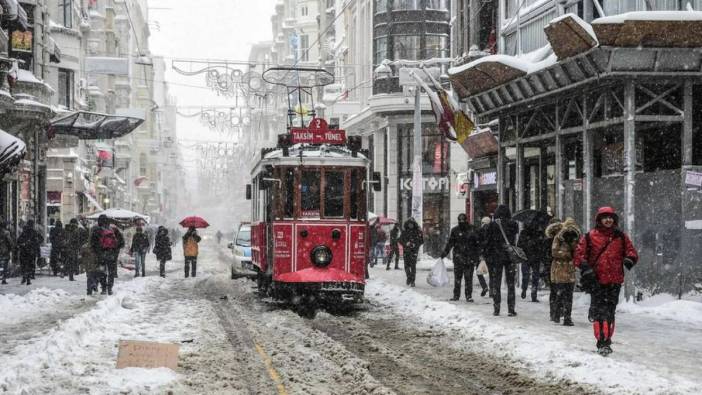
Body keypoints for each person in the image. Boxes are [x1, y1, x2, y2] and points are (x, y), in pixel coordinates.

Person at [574, 207, 638, 356]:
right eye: (605, 217)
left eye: (611, 218)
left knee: (610, 312)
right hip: (596, 281)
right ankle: (602, 341)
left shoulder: (620, 237)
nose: (608, 220)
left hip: (614, 281)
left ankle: (607, 338)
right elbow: (578, 255)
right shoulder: (589, 237)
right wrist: (586, 268)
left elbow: (632, 251)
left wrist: (629, 259)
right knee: (600, 312)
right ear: (599, 220)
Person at [483, 205, 520, 316]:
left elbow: (487, 242)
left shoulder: (492, 226)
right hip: (509, 256)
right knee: (510, 283)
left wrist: (487, 255)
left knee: (496, 283)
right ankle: (511, 309)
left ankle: (496, 308)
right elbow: (514, 240)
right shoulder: (513, 224)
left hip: (496, 257)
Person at [547, 218, 581, 326]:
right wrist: (567, 254)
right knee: (560, 294)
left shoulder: (576, 238)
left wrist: (574, 251)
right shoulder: (559, 237)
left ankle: (567, 317)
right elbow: (554, 252)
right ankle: (557, 314)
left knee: (569, 295)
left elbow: (579, 252)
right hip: (560, 268)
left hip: (570, 270)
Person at [441, 213, 482, 302]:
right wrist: (444, 253)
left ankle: (468, 295)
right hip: (459, 257)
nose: (462, 222)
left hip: (468, 258)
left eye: (463, 220)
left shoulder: (472, 229)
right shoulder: (456, 230)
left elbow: (478, 244)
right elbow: (450, 243)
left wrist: (477, 256)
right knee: (458, 278)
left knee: (468, 278)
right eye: (460, 220)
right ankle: (457, 295)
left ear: (466, 220)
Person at [90, 215, 124, 295]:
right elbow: (121, 242)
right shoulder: (114, 229)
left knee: (102, 271)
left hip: (100, 254)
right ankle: (110, 288)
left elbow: (92, 243)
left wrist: (97, 252)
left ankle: (104, 288)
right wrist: (115, 249)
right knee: (111, 272)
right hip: (112, 255)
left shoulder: (96, 230)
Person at [518, 221, 548, 303]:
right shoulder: (539, 233)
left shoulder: (523, 233)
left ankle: (524, 288)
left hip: (526, 257)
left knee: (526, 275)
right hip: (535, 257)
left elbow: (519, 245)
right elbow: (542, 246)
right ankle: (533, 293)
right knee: (535, 275)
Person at [543, 217, 562, 322]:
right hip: (559, 267)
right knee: (560, 290)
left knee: (554, 290)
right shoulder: (563, 238)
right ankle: (558, 311)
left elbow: (544, 255)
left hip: (551, 267)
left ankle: (554, 312)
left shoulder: (547, 240)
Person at [398, 218, 423, 287]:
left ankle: (412, 281)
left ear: (414, 224)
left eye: (412, 224)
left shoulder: (417, 231)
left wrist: (415, 244)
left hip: (414, 251)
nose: (410, 225)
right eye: (409, 224)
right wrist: (406, 243)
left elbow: (421, 241)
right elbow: (400, 240)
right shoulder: (404, 231)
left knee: (413, 266)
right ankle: (409, 277)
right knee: (406, 266)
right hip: (406, 251)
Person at [17, 220, 42, 286]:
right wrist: (38, 253)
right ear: (32, 225)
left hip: (24, 251)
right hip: (31, 252)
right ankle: (29, 278)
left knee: (24, 265)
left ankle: (24, 277)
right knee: (30, 265)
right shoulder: (34, 232)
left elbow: (18, 241)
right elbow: (39, 241)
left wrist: (23, 244)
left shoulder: (24, 232)